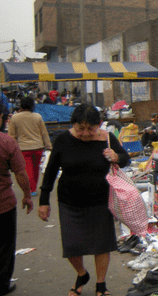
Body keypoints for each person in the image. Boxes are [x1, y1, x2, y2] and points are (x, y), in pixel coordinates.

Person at [38, 104, 130, 296]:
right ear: (73, 125)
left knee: (102, 244)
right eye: (81, 129)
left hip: (100, 200)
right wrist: (44, 201)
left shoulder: (107, 139)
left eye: (91, 128)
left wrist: (116, 156)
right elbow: (51, 170)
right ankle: (82, 274)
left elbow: (125, 158)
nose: (86, 133)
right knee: (71, 246)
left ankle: (101, 284)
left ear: (99, 125)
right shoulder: (63, 139)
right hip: (69, 200)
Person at [0, 114, 33, 296]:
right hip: (3, 204)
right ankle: (3, 284)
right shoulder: (7, 143)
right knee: (5, 245)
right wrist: (27, 196)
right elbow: (20, 173)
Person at [8, 96, 52, 196]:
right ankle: (33, 187)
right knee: (36, 168)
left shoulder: (15, 118)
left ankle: (31, 189)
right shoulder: (37, 116)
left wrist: (11, 150)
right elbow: (44, 133)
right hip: (38, 147)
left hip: (23, 149)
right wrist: (48, 145)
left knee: (27, 169)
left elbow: (12, 135)